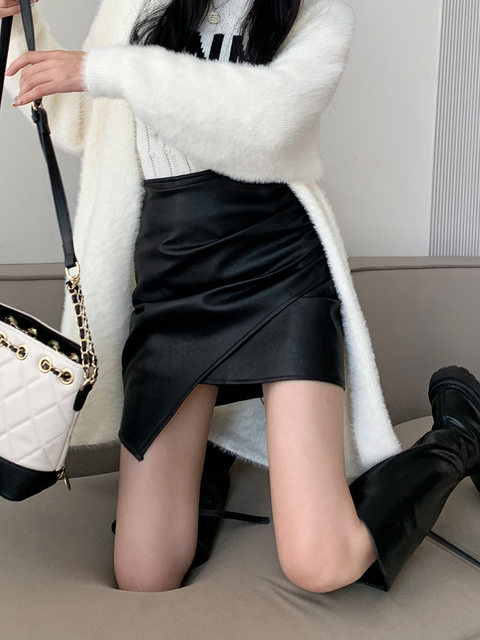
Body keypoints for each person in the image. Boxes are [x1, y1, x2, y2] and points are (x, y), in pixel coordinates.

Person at [2, 0, 480, 595]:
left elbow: (271, 119)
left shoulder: (318, 15)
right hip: (170, 280)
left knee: (321, 563)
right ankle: (207, 464)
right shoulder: (138, 4)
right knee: (144, 575)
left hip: (279, 270)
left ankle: (459, 435)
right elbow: (80, 118)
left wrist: (106, 68)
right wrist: (16, 28)